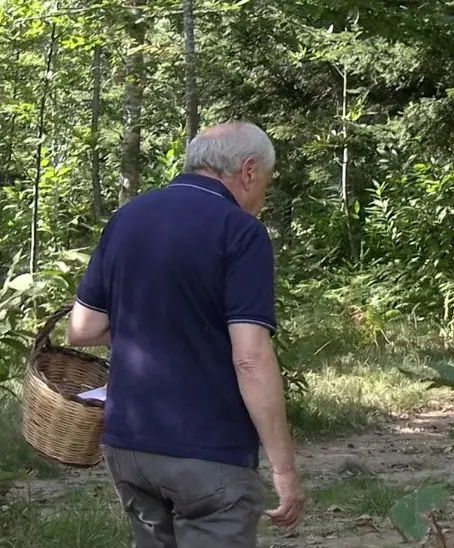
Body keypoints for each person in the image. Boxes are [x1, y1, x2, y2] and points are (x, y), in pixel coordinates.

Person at [65, 121, 306, 547]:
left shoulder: (126, 218)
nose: (262, 196)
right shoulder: (240, 232)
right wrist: (283, 468)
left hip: (129, 446)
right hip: (207, 450)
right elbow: (250, 358)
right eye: (265, 183)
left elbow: (83, 329)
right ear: (248, 171)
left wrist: (159, 325)